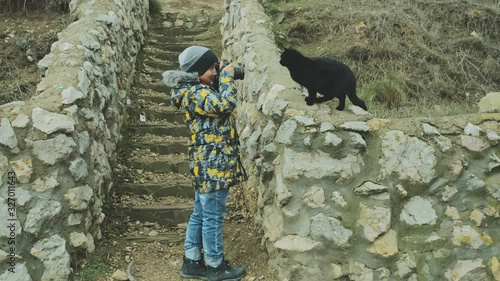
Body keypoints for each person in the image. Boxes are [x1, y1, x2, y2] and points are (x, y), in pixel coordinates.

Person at [162, 46, 248, 281]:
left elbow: (216, 104)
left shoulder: (194, 91)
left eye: (215, 68)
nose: (215, 72)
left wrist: (221, 78)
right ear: (197, 70)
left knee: (200, 213)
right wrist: (228, 78)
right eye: (211, 68)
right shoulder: (197, 93)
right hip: (213, 165)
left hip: (207, 163)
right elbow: (225, 105)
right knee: (212, 216)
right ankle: (215, 266)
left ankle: (192, 262)